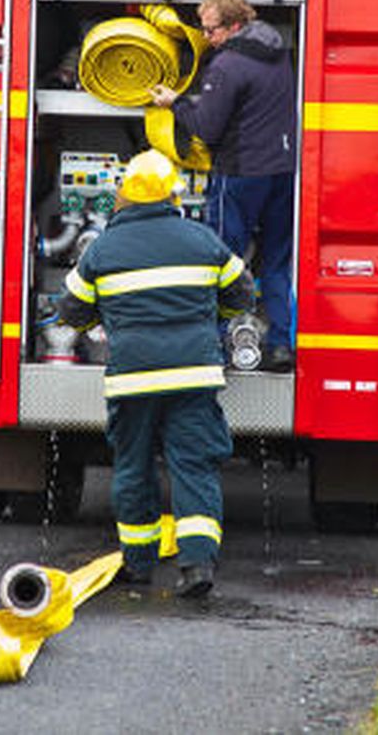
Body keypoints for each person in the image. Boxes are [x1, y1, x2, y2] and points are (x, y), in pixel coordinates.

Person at [56, 149, 257, 598]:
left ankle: (139, 564)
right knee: (194, 465)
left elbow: (69, 309)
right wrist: (211, 319)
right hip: (194, 377)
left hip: (132, 379)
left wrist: (102, 325)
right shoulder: (202, 239)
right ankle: (197, 564)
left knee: (132, 467)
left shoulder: (103, 247)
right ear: (173, 194)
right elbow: (242, 294)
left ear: (124, 195)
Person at [148, 0, 297, 369]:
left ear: (233, 26)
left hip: (240, 174)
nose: (206, 37)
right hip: (281, 171)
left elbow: (207, 129)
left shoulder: (228, 65)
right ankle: (281, 345)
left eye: (211, 30)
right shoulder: (277, 50)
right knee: (276, 263)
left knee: (221, 260)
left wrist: (174, 103)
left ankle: (212, 345)